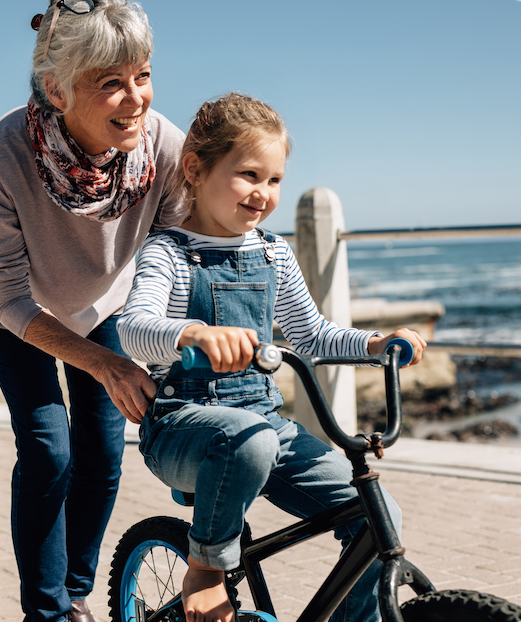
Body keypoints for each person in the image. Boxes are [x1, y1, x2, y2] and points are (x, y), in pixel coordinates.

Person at [117, 93, 427, 622]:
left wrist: (375, 346)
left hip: (265, 426)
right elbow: (134, 330)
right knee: (248, 442)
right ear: (195, 168)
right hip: (182, 425)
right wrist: (192, 334)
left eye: (275, 180)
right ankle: (206, 567)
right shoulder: (167, 251)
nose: (263, 194)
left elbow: (311, 336)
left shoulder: (272, 252)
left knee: (379, 519)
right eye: (248, 175)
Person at [0, 1, 187, 620]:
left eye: (142, 75)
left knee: (104, 451)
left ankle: (76, 594)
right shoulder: (1, 157)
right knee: (49, 448)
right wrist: (106, 365)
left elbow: (176, 256)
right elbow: (7, 295)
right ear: (57, 90)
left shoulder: (163, 147)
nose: (135, 98)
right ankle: (47, 612)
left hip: (102, 300)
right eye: (110, 83)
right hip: (13, 308)